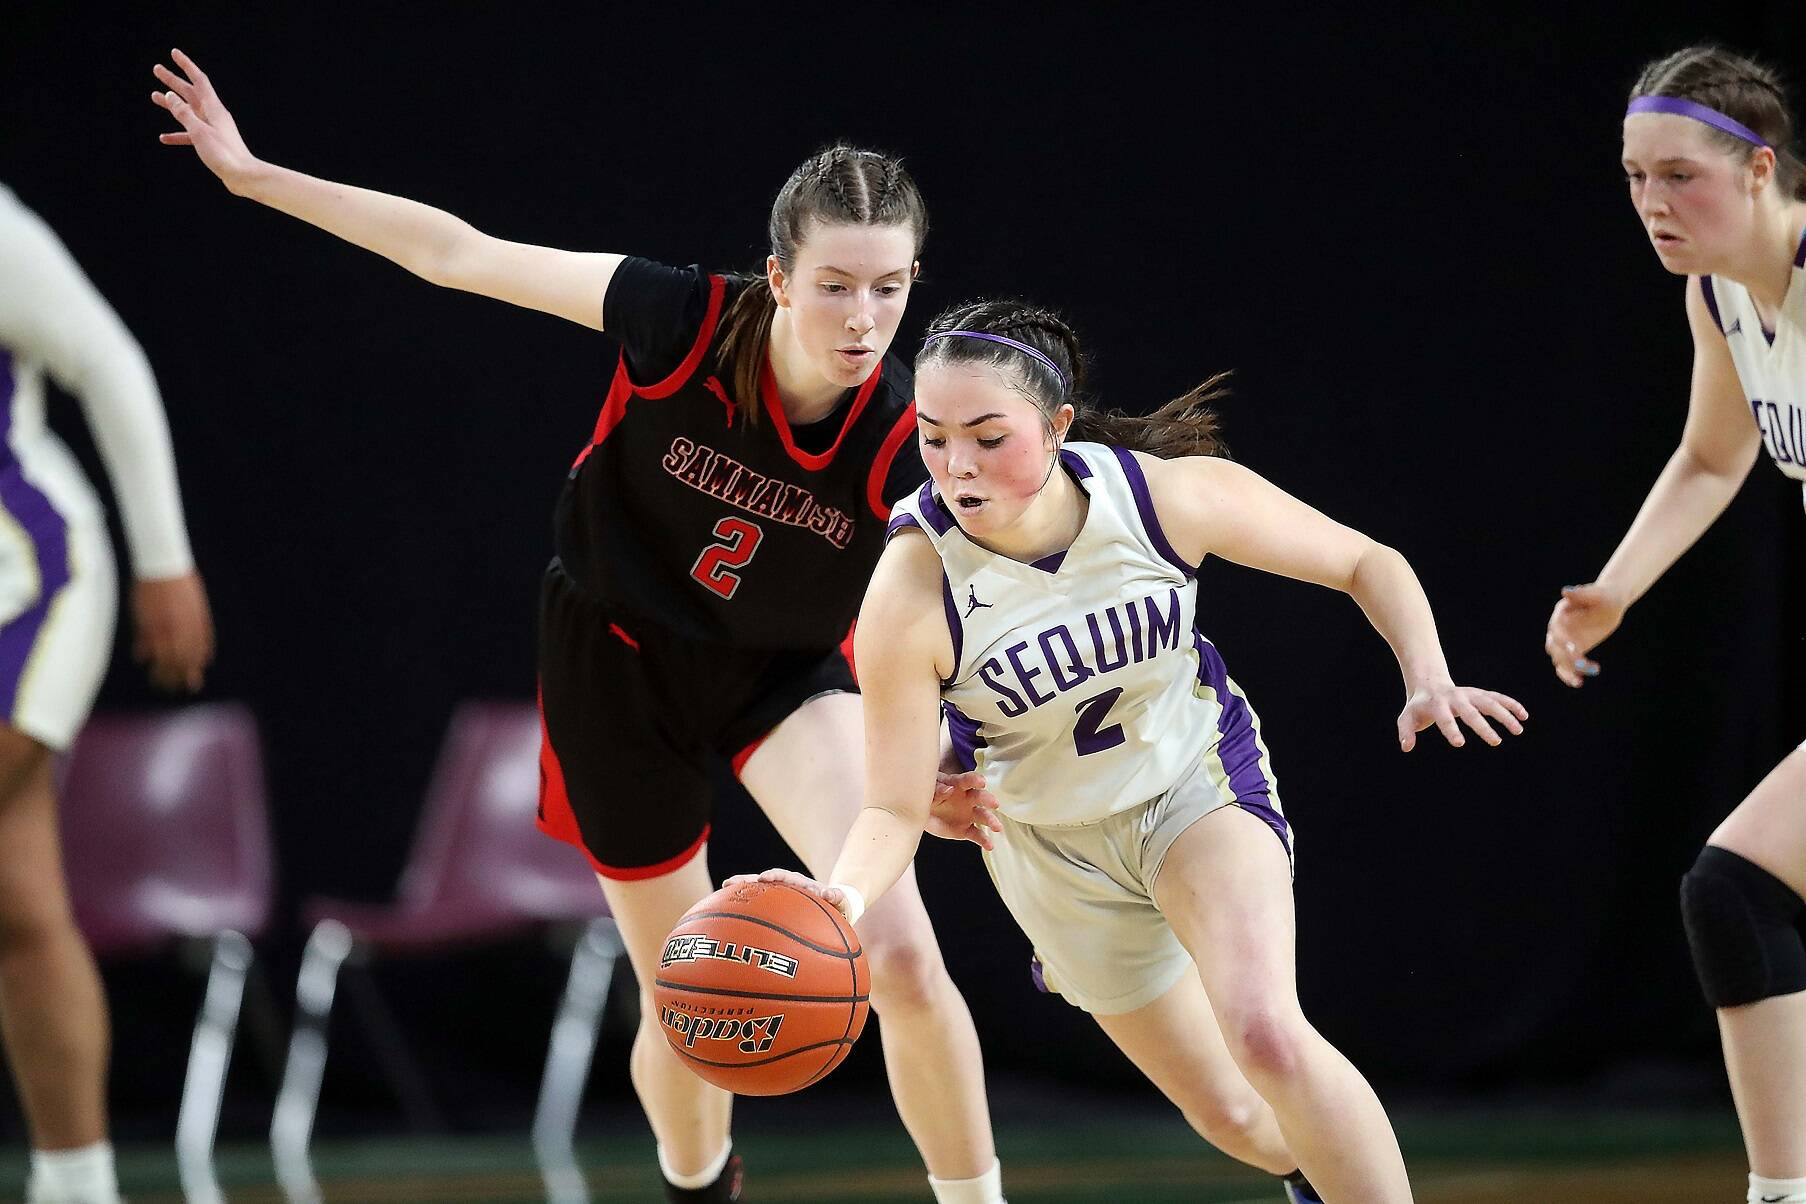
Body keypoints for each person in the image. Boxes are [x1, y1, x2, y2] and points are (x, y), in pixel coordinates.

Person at [151, 48, 1009, 1204]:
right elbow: (456, 254)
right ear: (777, 275)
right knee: (690, 991)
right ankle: (700, 1180)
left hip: (779, 672)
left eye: (892, 288)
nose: (865, 318)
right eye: (837, 285)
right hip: (618, 661)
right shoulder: (683, 318)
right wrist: (258, 177)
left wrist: (941, 747)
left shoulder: (906, 429)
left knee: (900, 951)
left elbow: (952, 605)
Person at [740, 299, 1529, 1203]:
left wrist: (1427, 674)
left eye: (989, 437)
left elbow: (1365, 560)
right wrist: (839, 896)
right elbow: (889, 803)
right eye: (932, 437)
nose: (958, 465)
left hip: (1192, 787)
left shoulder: (1156, 496)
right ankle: (1313, 1176)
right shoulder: (911, 590)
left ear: (1058, 425)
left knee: (1267, 1031)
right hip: (1052, 849)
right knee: (1237, 1120)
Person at [1543, 45, 1806, 1204]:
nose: (1653, 202)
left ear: (1759, 169)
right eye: (1635, 175)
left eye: (1680, 176)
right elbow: (1714, 453)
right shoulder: (1721, 296)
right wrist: (1618, 586)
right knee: (1734, 891)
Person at [0, 183, 214, 1204]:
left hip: (25, 579)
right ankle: (76, 1184)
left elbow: (107, 359)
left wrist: (164, 560)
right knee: (20, 903)